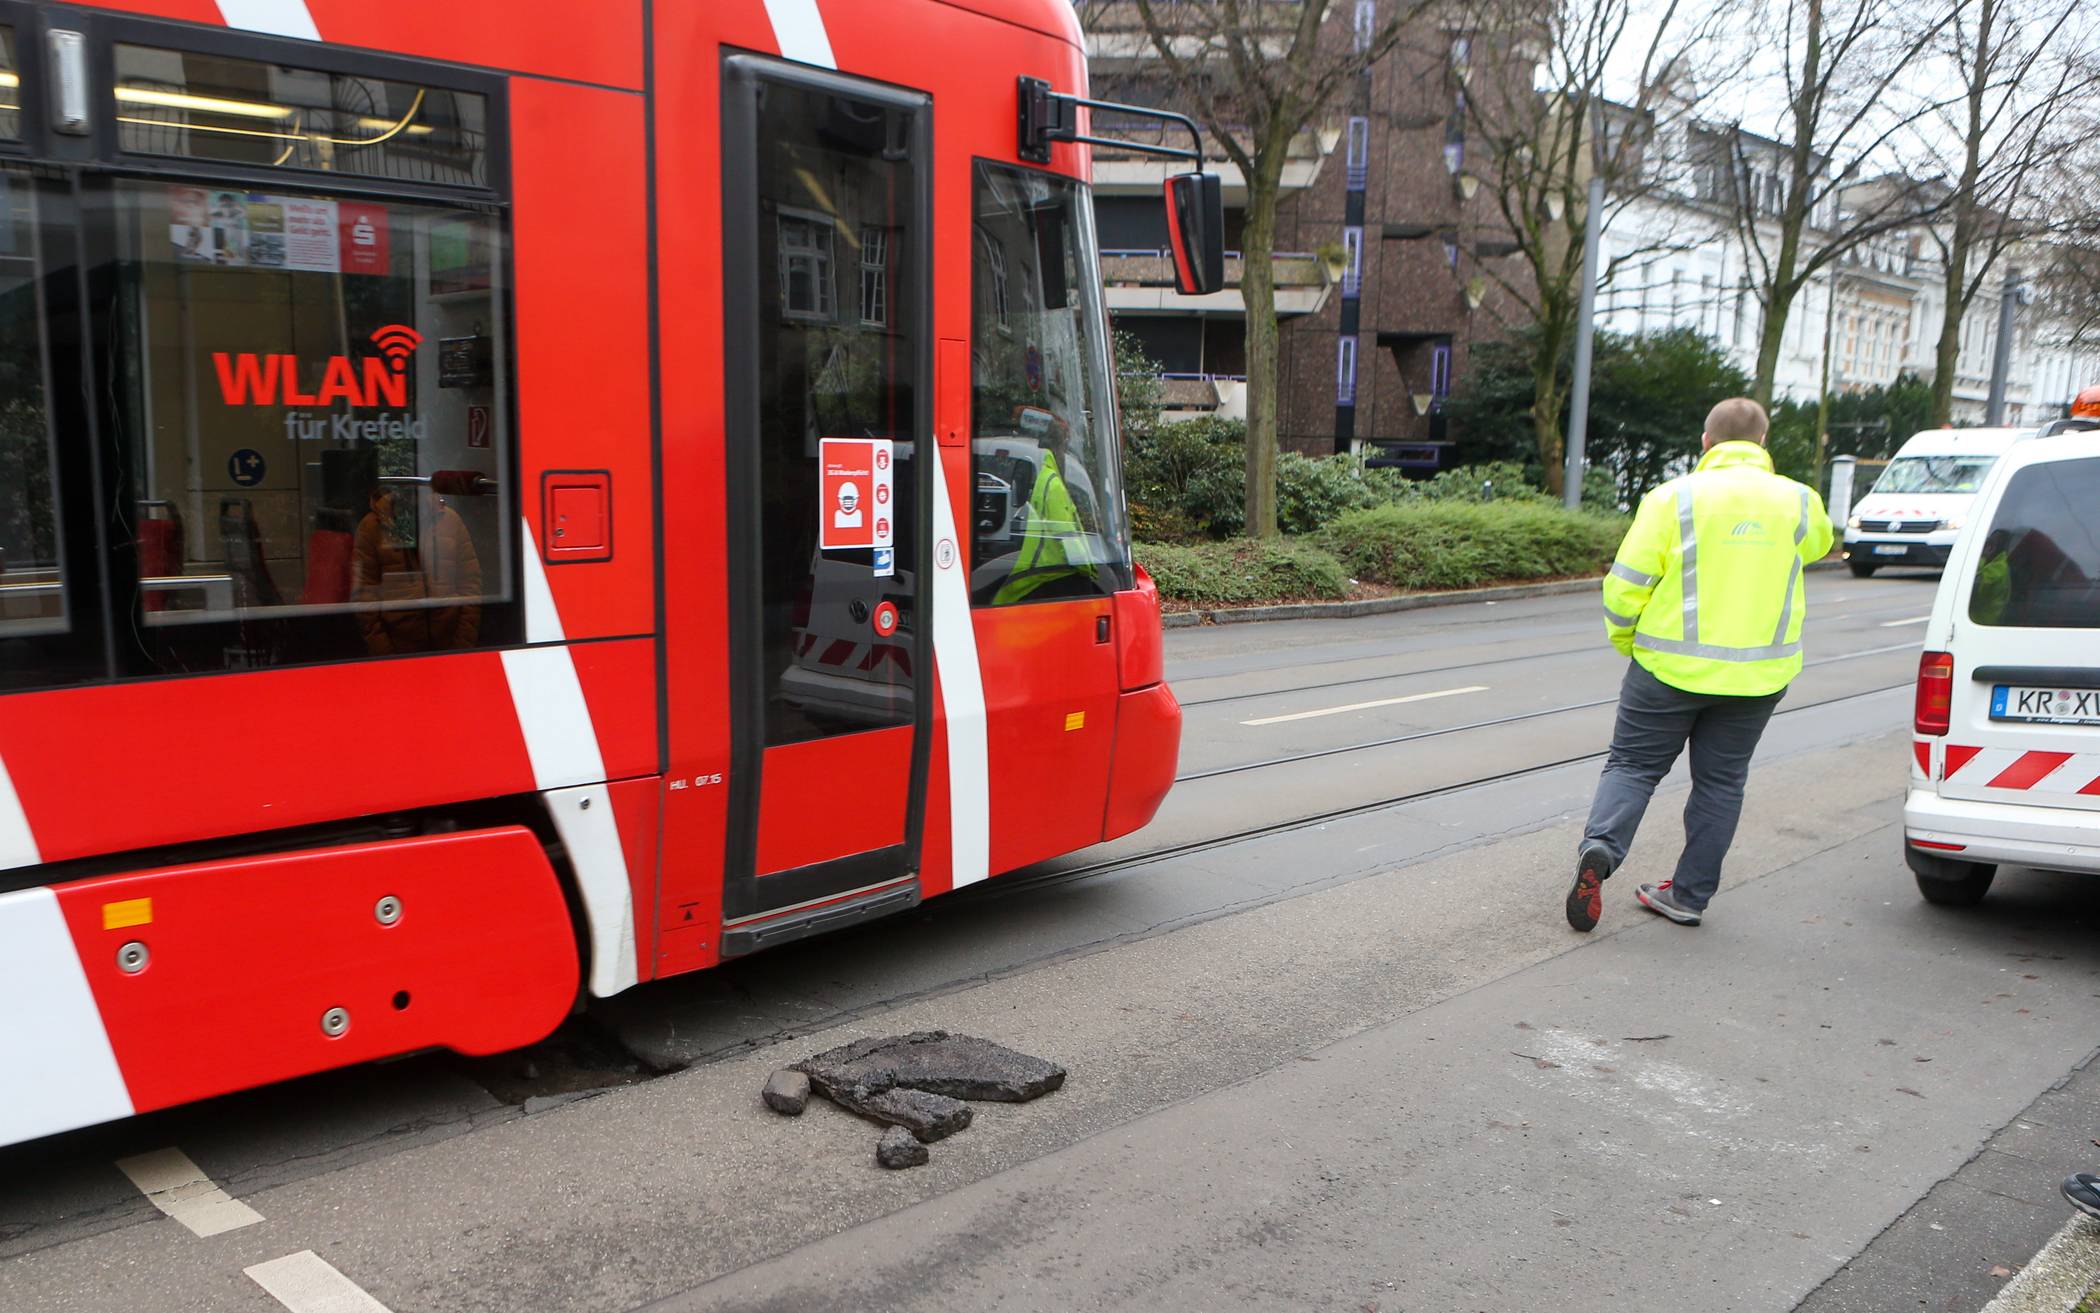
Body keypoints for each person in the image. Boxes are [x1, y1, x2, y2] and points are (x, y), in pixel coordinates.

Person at [1565, 397, 1834, 932]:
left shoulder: (1672, 498)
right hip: (1758, 676)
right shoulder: (1801, 502)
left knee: (1632, 767)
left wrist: (1627, 641)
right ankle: (1687, 897)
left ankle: (1601, 849)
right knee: (1721, 784)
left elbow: (1625, 585)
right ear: (1763, 442)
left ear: (1706, 442)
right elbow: (1817, 548)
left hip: (1665, 669)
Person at [352, 482, 483, 655]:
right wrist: (386, 655)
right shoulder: (371, 527)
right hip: (398, 650)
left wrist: (462, 646)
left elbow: (470, 586)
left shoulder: (450, 520)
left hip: (449, 647)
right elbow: (365, 598)